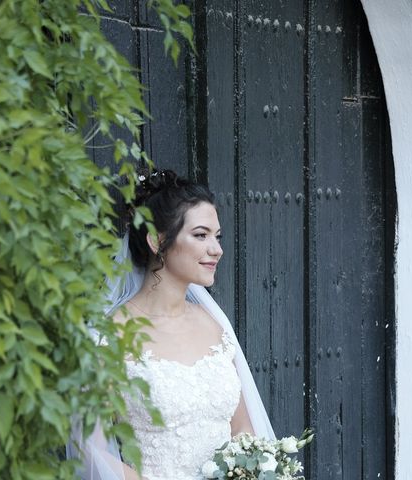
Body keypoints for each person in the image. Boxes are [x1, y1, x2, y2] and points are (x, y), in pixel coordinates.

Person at [68, 169, 275, 480]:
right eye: (201, 235)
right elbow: (91, 449)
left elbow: (242, 428)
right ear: (158, 241)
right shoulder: (111, 336)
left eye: (216, 237)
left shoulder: (213, 324)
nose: (216, 249)